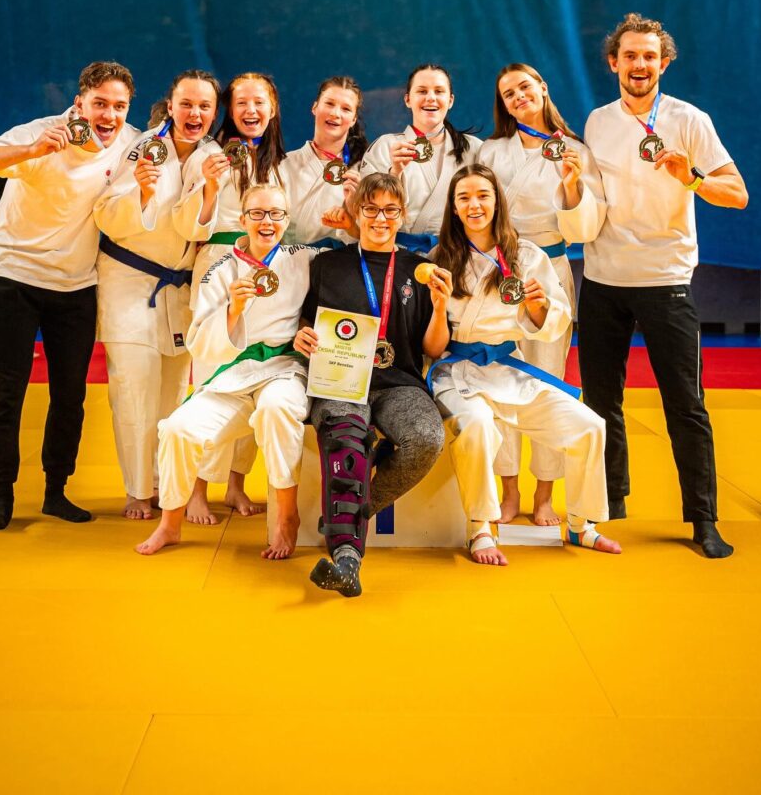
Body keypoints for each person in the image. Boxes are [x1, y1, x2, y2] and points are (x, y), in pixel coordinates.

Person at [578, 12, 749, 559]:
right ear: (614, 62)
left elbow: (738, 194)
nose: (640, 64)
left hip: (665, 279)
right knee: (600, 403)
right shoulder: (597, 122)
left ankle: (704, 519)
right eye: (630, 55)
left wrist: (692, 178)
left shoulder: (688, 119)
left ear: (664, 63)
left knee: (686, 404)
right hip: (602, 278)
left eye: (649, 56)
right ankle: (611, 503)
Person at [0, 61, 138, 529]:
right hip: (13, 276)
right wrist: (32, 149)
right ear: (79, 104)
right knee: (6, 390)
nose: (109, 115)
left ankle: (56, 491)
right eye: (100, 104)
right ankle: (1, 495)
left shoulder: (131, 143)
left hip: (74, 285)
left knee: (70, 394)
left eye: (119, 106)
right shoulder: (42, 133)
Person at [430, 165, 621, 564]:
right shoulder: (439, 259)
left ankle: (581, 523)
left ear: (497, 201)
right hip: (456, 371)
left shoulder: (527, 255)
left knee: (589, 426)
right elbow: (430, 338)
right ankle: (480, 528)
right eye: (464, 198)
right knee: (477, 427)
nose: (474, 205)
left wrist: (537, 307)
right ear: (453, 207)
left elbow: (554, 323)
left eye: (483, 195)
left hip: (508, 367)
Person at [134, 184, 322, 559]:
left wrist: (307, 328)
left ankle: (287, 517)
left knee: (276, 410)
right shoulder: (219, 272)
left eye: (276, 214)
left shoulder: (305, 258)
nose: (267, 222)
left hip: (284, 370)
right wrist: (232, 311)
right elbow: (201, 344)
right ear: (242, 219)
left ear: (287, 220)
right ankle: (170, 524)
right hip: (234, 375)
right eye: (258, 214)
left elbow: (344, 277)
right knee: (177, 429)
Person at [293, 172, 452, 597]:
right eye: (371, 209)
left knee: (427, 439)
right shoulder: (327, 265)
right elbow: (306, 322)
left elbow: (434, 349)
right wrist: (301, 335)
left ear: (402, 215)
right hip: (341, 382)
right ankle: (347, 559)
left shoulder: (419, 271)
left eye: (390, 210)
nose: (380, 218)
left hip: (399, 383)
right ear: (357, 213)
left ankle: (351, 514)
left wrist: (439, 308)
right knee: (347, 441)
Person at [478, 65, 606, 526]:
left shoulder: (574, 151)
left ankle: (546, 493)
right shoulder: (492, 151)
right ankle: (509, 489)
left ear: (543, 89)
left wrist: (572, 186)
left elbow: (586, 229)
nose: (518, 97)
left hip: (550, 269)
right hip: (499, 271)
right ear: (503, 104)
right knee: (500, 378)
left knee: (548, 380)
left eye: (525, 88)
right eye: (508, 93)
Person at [93, 70, 221, 521]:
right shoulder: (143, 147)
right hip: (129, 284)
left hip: (179, 289)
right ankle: (136, 490)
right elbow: (106, 216)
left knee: (173, 397)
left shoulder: (212, 156)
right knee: (134, 391)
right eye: (186, 104)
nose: (195, 113)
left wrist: (209, 188)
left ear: (214, 113)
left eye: (204, 106)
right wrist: (143, 194)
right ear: (170, 106)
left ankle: (167, 484)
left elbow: (193, 228)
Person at [172, 72, 287, 522]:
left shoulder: (281, 162)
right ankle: (196, 489)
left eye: (259, 102)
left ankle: (236, 484)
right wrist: (209, 186)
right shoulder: (210, 155)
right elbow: (190, 222)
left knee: (255, 371)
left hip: (265, 266)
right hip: (219, 259)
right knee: (212, 372)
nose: (250, 111)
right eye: (241, 103)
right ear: (229, 110)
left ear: (273, 108)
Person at [359, 64, 481, 252]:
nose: (430, 97)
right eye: (422, 91)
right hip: (395, 252)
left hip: (457, 253)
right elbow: (366, 209)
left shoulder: (473, 149)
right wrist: (394, 173)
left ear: (450, 100)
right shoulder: (385, 146)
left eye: (439, 91)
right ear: (408, 99)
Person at [282, 75, 368, 246]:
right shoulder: (283, 164)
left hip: (337, 260)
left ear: (353, 120)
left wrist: (352, 216)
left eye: (346, 109)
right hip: (285, 258)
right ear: (314, 107)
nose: (335, 113)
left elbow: (368, 238)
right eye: (329, 103)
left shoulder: (362, 172)